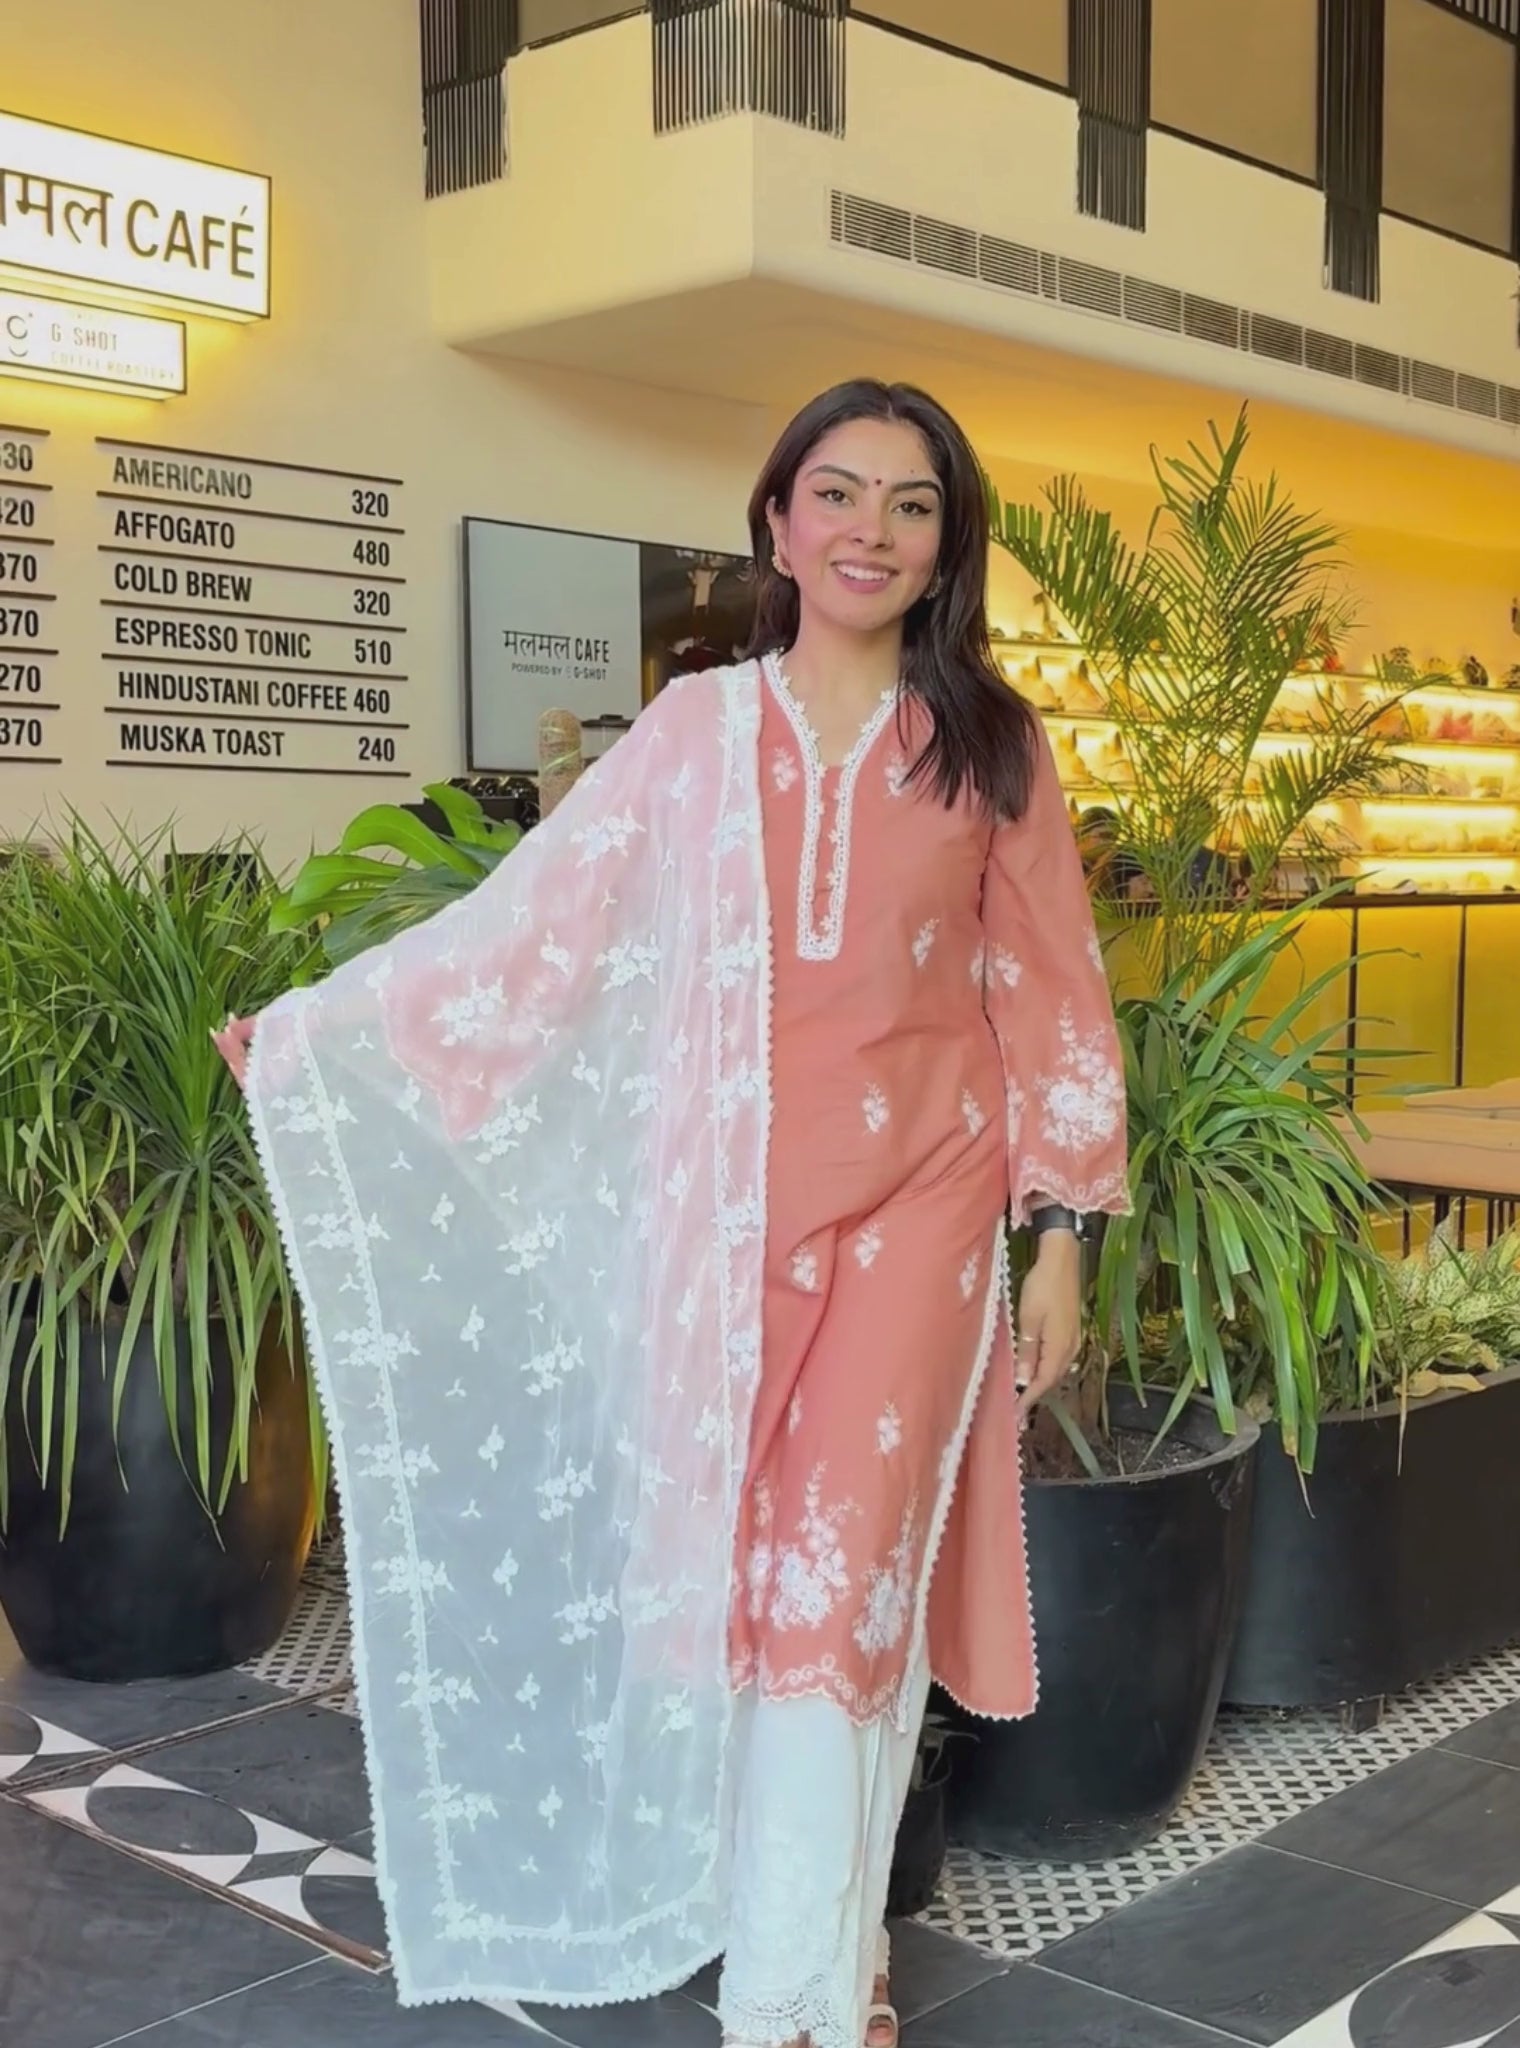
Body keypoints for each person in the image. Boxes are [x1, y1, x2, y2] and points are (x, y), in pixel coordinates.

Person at [215, 380, 1128, 2048]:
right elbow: (537, 931)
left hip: (924, 1218)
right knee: (744, 1588)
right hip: (722, 1225)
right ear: (777, 521)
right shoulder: (698, 735)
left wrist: (1061, 1226)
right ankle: (839, 1953)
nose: (869, 530)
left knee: (840, 1585)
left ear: (946, 548)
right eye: (836, 493)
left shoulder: (991, 750)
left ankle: (786, 2001)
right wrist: (325, 1037)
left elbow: (1048, 989)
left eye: (911, 504)